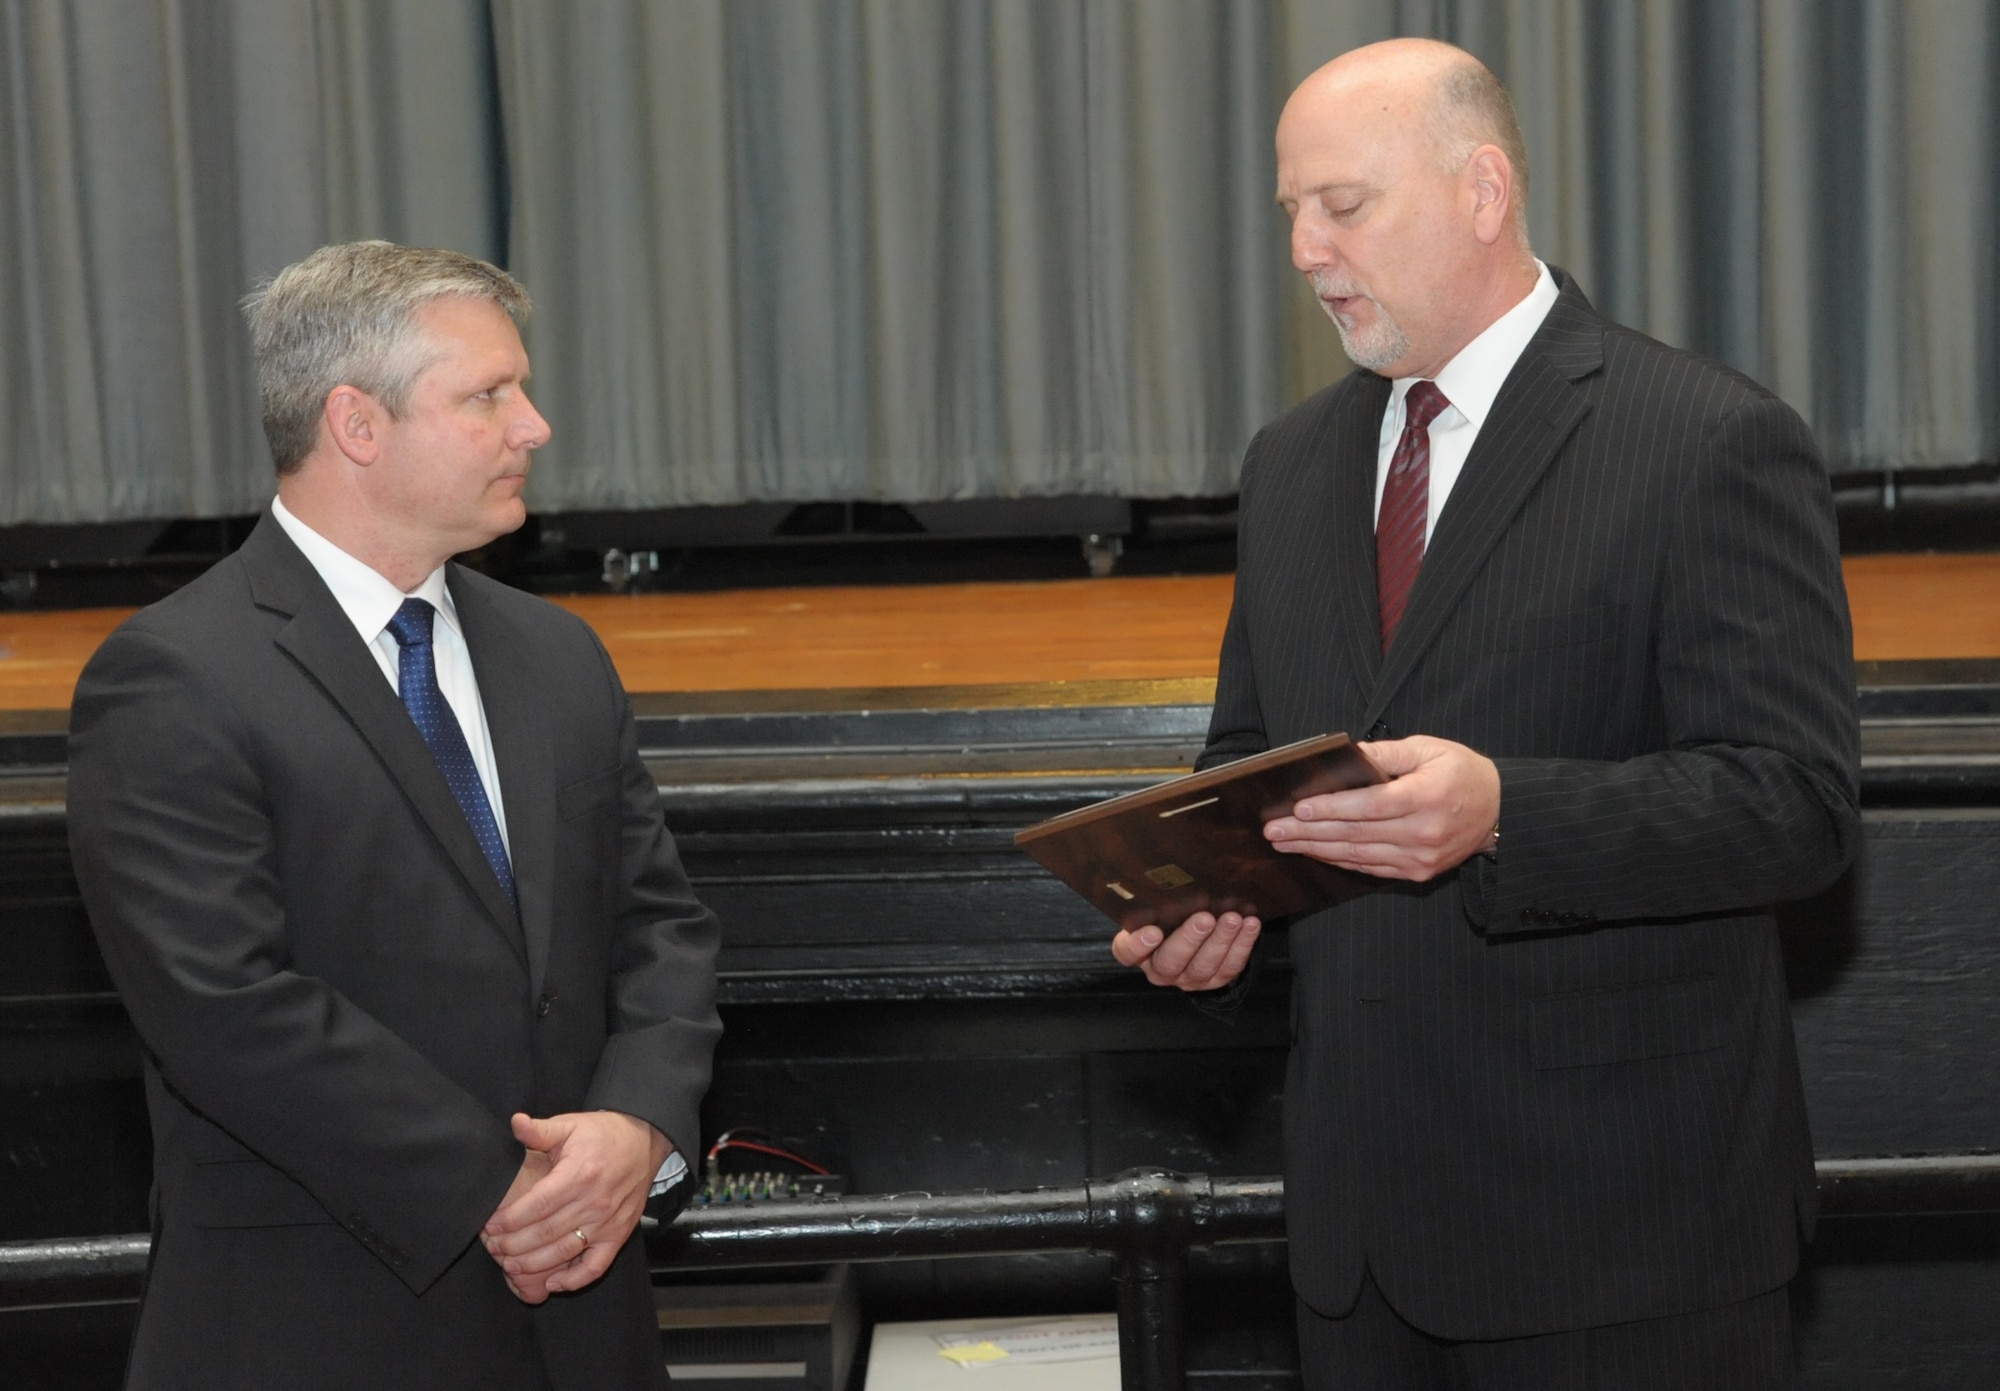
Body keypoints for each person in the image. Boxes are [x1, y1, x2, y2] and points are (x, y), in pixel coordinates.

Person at [1112, 39, 1859, 1387]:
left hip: (1625, 1242)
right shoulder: (1290, 465)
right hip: (1359, 1248)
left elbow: (1794, 807)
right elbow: (1253, 759)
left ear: (1483, 189)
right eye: (1290, 211)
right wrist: (1216, 903)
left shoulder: (1703, 439)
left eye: (1343, 204)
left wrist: (1508, 812)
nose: (1306, 247)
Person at [67, 241, 721, 1390]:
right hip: (320, 1329)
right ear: (357, 424)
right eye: (488, 395)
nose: (534, 426)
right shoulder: (175, 674)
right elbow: (225, 1003)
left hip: (580, 1319)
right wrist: (501, 1186)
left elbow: (659, 926)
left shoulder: (556, 653)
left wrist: (635, 1130)